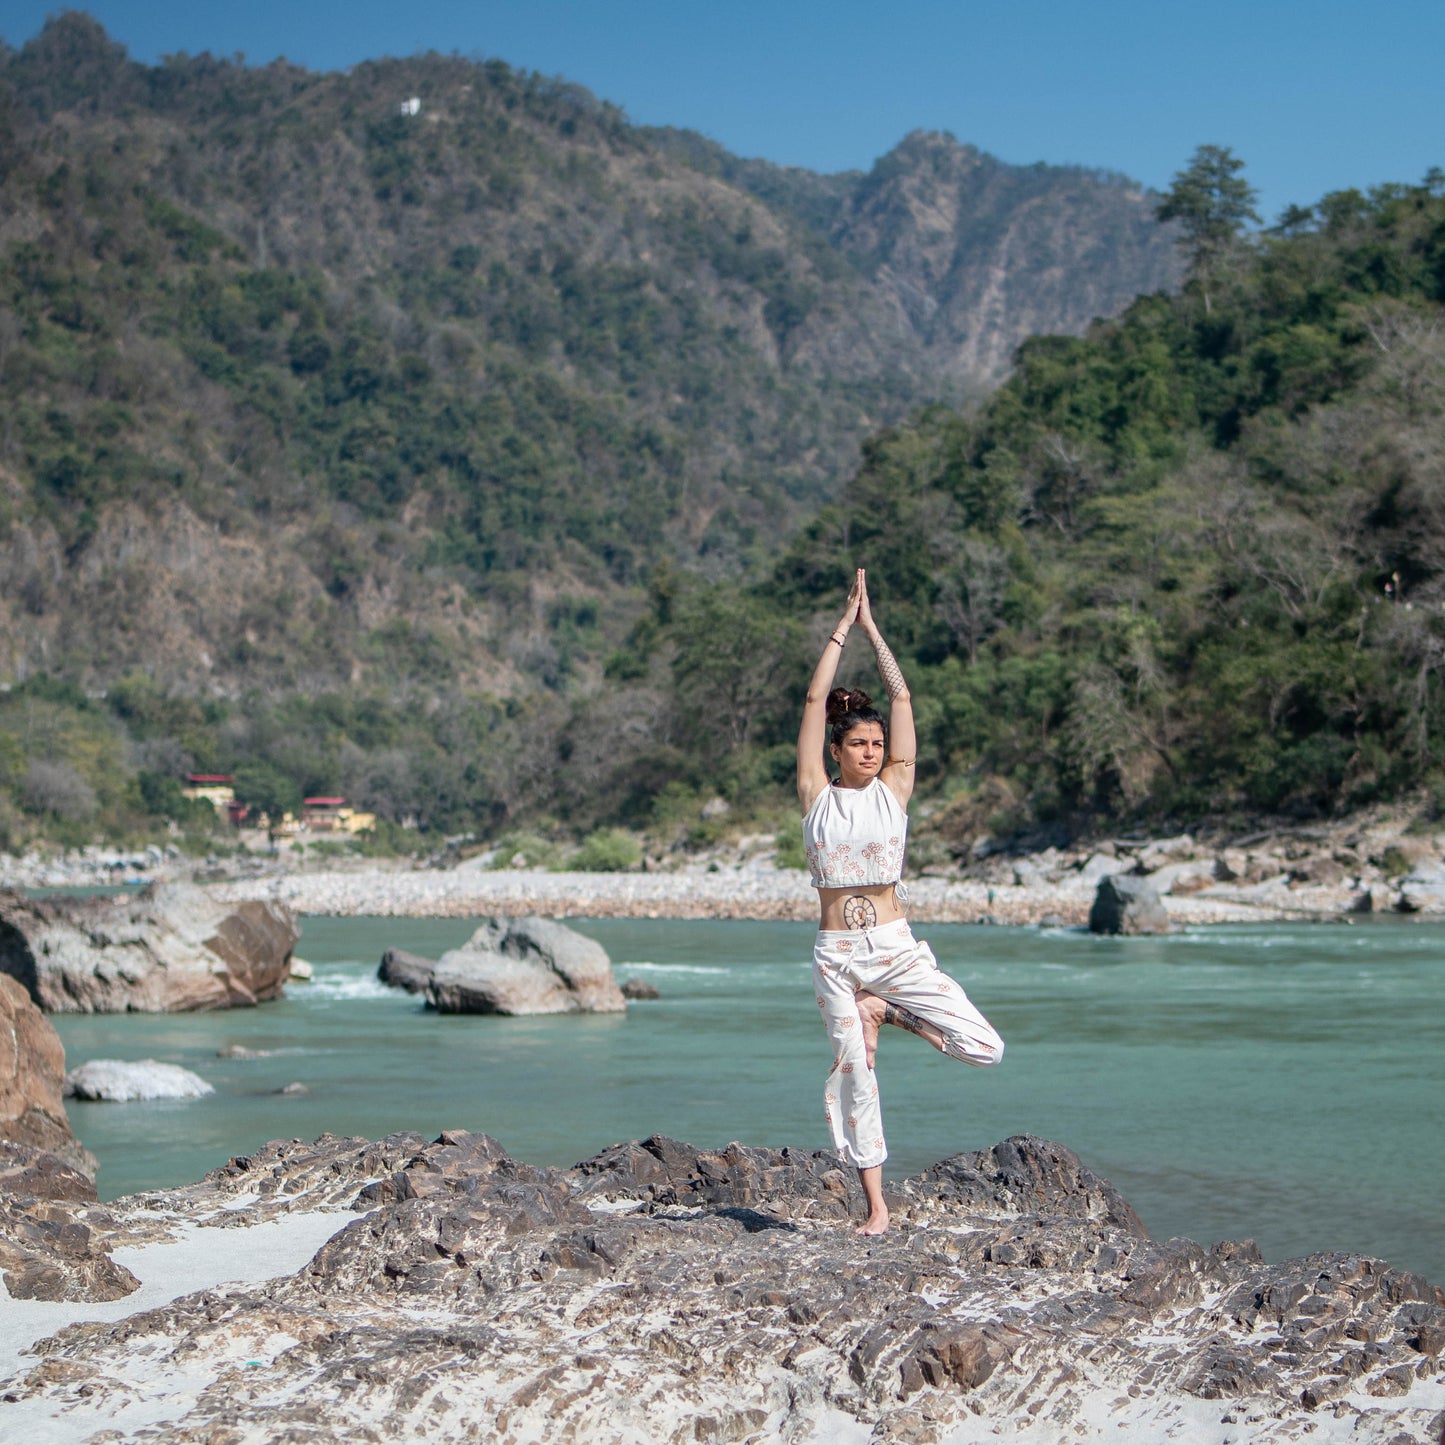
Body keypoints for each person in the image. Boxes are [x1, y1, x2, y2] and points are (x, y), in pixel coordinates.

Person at [797, 568, 1004, 1235]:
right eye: (858, 742)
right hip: (836, 955)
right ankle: (876, 1207)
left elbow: (902, 694)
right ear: (835, 749)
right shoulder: (816, 797)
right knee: (853, 1072)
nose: (871, 749)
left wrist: (872, 628)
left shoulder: (895, 791)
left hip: (893, 948)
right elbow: (811, 697)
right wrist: (839, 627)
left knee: (982, 1047)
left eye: (877, 743)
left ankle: (887, 1009)